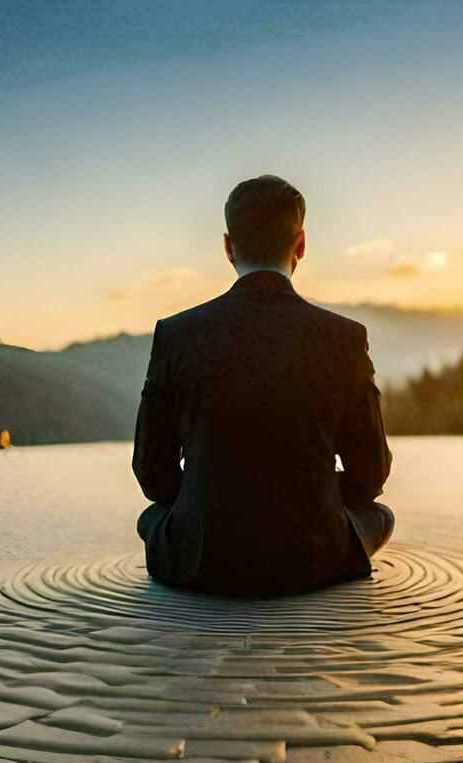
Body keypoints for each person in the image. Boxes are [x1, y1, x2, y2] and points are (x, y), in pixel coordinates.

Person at [132, 175, 393, 597]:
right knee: (380, 515)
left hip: (201, 561)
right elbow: (371, 476)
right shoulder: (344, 339)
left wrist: (217, 490)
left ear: (228, 246)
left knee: (153, 517)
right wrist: (311, 487)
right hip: (314, 558)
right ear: (301, 245)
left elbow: (153, 476)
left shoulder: (176, 336)